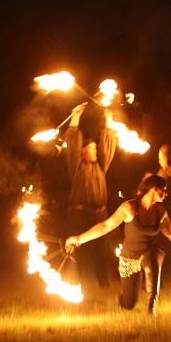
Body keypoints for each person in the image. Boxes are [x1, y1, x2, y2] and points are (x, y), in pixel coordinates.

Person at [65, 175, 171, 315]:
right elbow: (105, 226)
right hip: (129, 258)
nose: (166, 193)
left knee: (153, 258)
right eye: (164, 190)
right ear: (154, 189)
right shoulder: (129, 207)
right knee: (128, 304)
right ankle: (125, 295)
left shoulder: (161, 211)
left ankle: (151, 309)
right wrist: (78, 239)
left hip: (151, 252)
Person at [63, 102, 118, 288]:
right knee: (75, 248)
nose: (95, 151)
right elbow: (71, 142)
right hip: (78, 215)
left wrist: (108, 123)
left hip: (99, 215)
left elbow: (108, 146)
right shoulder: (75, 167)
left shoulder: (101, 166)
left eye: (96, 149)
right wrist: (75, 117)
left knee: (100, 250)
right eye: (91, 149)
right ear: (82, 151)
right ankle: (72, 282)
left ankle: (103, 281)